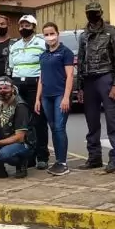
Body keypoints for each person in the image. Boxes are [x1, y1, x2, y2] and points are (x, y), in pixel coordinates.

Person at [77, 2, 115, 173]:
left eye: (95, 12)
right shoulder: (83, 36)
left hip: (106, 78)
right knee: (92, 122)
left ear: (101, 12)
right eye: (89, 12)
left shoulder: (113, 32)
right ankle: (94, 158)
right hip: (89, 81)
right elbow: (81, 62)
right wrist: (80, 87)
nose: (92, 15)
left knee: (113, 120)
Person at [7, 14, 49, 170]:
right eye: (22, 26)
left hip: (35, 84)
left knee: (38, 121)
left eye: (27, 25)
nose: (24, 28)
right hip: (18, 85)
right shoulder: (15, 46)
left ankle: (42, 156)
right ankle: (29, 156)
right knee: (23, 123)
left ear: (34, 27)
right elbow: (11, 68)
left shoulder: (41, 43)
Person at [35, 22, 75, 176]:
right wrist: (38, 99)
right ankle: (58, 160)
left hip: (60, 95)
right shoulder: (43, 55)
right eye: (46, 34)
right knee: (53, 128)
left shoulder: (66, 52)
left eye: (52, 33)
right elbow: (41, 77)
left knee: (59, 128)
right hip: (46, 96)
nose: (49, 37)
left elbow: (70, 75)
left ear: (58, 34)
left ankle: (62, 163)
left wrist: (66, 97)